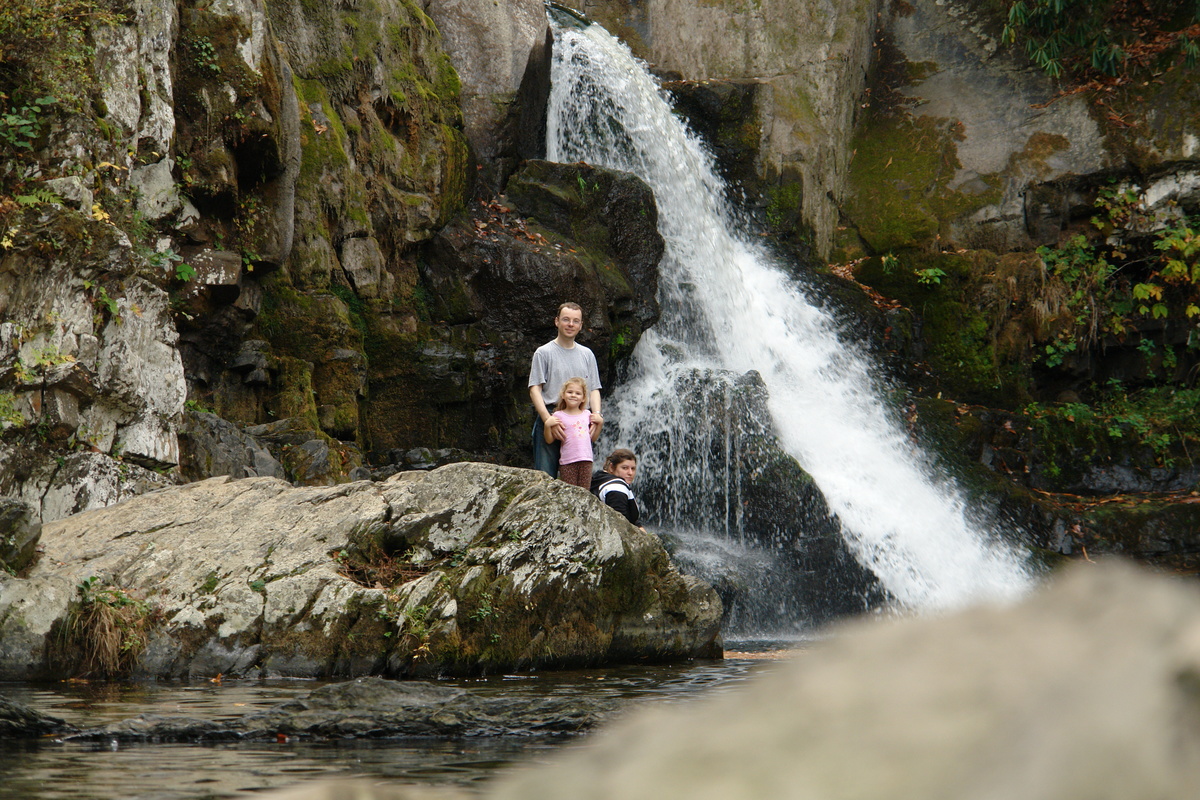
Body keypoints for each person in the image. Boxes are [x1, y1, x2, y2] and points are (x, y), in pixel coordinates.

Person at [528, 302, 603, 477]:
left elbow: (594, 389)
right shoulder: (543, 352)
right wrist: (547, 419)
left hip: (580, 420)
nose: (571, 324)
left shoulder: (587, 354)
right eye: (566, 319)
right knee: (545, 476)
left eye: (575, 321)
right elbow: (534, 388)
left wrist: (597, 414)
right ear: (557, 321)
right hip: (552, 416)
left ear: (581, 325)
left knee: (578, 477)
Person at [547, 377, 600, 488]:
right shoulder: (558, 415)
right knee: (569, 492)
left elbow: (592, 438)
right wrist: (547, 424)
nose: (573, 395)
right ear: (563, 395)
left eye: (578, 393)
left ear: (583, 398)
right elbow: (549, 440)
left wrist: (600, 424)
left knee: (585, 492)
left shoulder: (587, 414)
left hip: (586, 459)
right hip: (567, 461)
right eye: (570, 392)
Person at [591, 448, 642, 529]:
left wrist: (639, 526)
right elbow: (620, 523)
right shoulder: (617, 488)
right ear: (611, 467)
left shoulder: (599, 479)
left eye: (633, 468)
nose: (630, 473)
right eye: (624, 468)